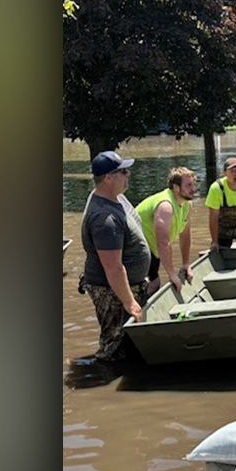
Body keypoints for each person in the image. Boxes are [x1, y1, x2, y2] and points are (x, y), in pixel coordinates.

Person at [78, 152, 151, 361]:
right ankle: (102, 383)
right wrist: (128, 301)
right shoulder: (104, 218)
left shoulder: (117, 196)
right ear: (108, 178)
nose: (128, 173)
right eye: (123, 171)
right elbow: (113, 267)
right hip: (110, 290)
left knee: (131, 344)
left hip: (128, 285)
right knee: (114, 347)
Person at [135, 166, 198, 294]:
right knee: (152, 284)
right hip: (135, 247)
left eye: (193, 185)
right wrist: (172, 275)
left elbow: (185, 235)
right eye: (188, 185)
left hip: (151, 249)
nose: (193, 190)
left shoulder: (187, 204)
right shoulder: (165, 206)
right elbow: (163, 242)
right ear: (176, 187)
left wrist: (185, 264)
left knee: (154, 283)